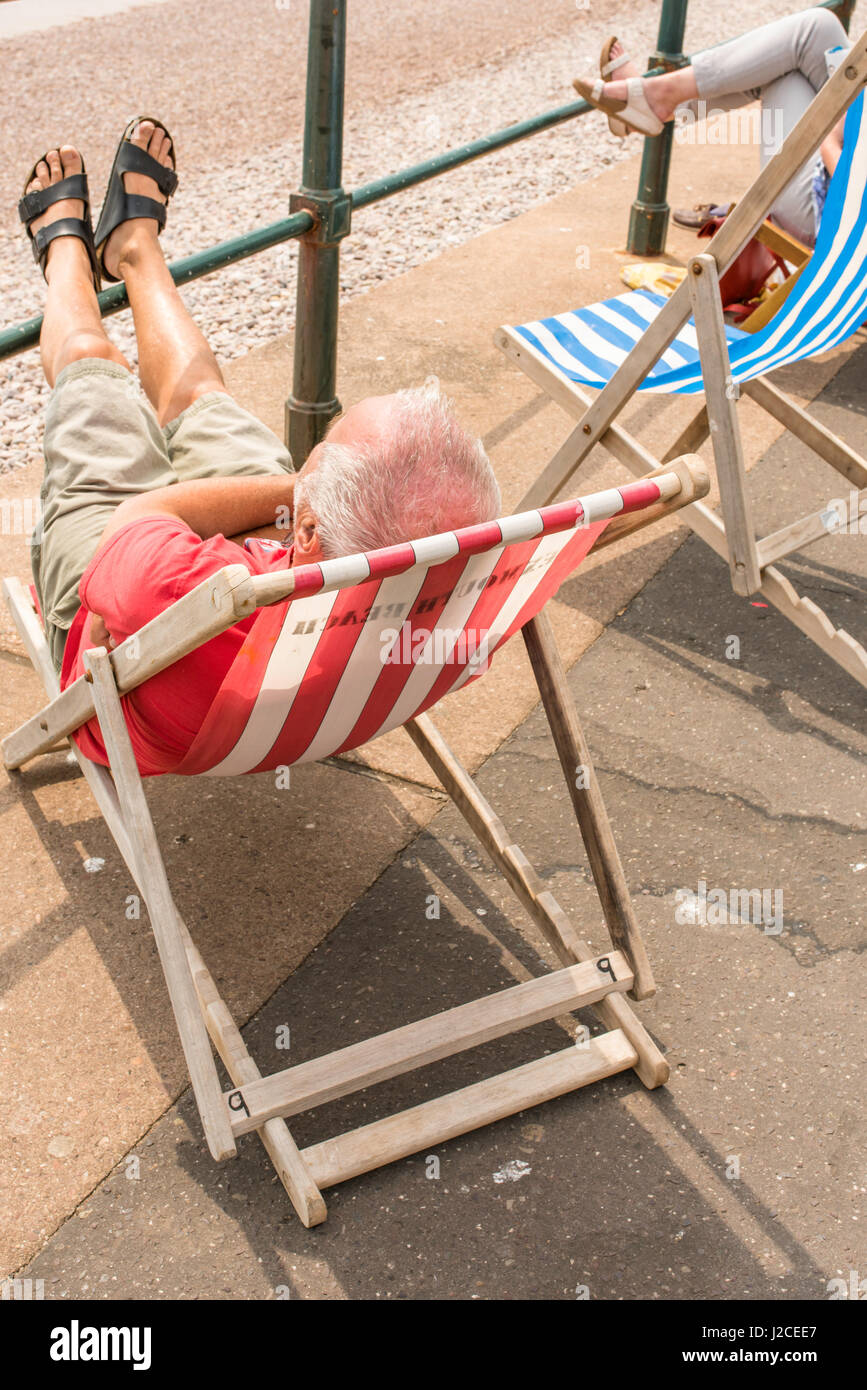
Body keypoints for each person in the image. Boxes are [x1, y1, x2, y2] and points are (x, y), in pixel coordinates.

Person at [19, 120, 501, 774]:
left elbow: (136, 522)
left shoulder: (189, 588)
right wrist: (312, 491)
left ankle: (65, 251)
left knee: (91, 366)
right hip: (285, 605)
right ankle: (134, 247)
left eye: (320, 450)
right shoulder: (474, 598)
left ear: (307, 529)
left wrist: (298, 489)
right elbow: (313, 521)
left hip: (143, 636)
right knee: (202, 402)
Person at [575, 7, 852, 247]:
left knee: (806, 39)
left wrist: (830, 136)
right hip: (837, 184)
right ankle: (657, 103)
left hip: (827, 215)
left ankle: (656, 103)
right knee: (813, 35)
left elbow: (854, 184)